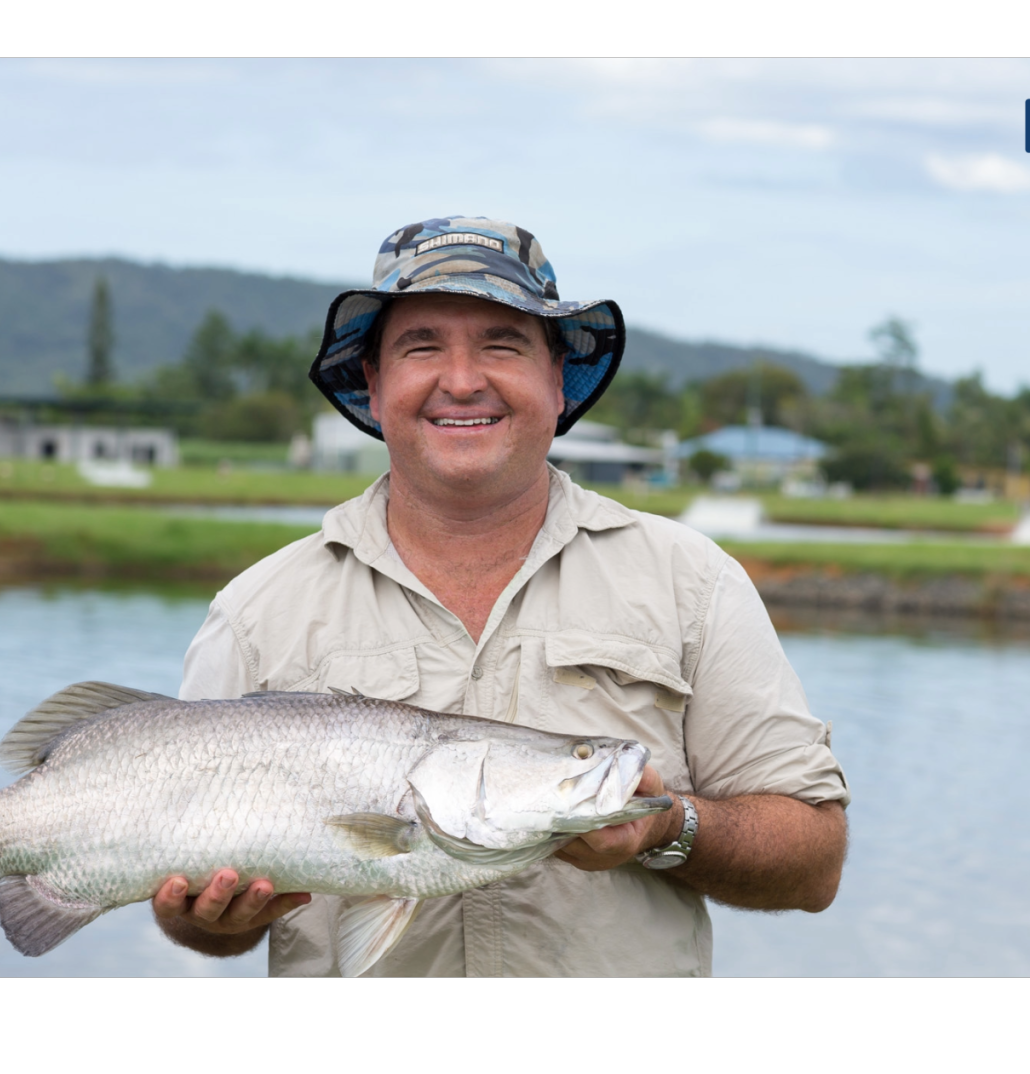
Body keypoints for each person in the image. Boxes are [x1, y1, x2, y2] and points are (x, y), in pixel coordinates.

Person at [153, 217, 849, 976]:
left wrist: (665, 827)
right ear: (375, 385)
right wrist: (212, 922)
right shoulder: (256, 611)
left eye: (502, 344)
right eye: (421, 346)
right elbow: (201, 919)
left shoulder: (692, 581)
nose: (461, 381)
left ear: (556, 378)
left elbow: (814, 864)